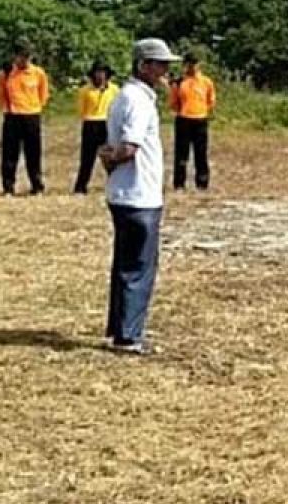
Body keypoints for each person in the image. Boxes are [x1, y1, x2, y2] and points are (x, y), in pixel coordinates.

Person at [99, 38, 183, 354]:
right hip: (138, 194)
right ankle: (129, 335)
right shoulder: (138, 100)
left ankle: (121, 327)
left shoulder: (125, 95)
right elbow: (129, 148)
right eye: (160, 65)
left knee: (125, 263)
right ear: (143, 65)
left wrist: (107, 157)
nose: (165, 71)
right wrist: (110, 158)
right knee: (138, 265)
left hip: (124, 192)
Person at [0, 41, 50, 196]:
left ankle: (37, 186)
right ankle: (8, 187)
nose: (24, 61)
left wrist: (35, 108)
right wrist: (8, 110)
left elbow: (43, 94)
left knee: (33, 153)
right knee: (9, 154)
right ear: (15, 57)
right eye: (21, 57)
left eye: (27, 57)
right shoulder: (6, 73)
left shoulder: (38, 73)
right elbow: (1, 96)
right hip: (12, 116)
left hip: (32, 116)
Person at [169, 52, 217, 191]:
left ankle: (202, 183)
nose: (192, 66)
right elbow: (173, 102)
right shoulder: (180, 82)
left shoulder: (206, 82)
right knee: (181, 154)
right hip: (183, 119)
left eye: (195, 63)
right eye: (189, 63)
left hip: (200, 119)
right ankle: (179, 184)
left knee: (201, 153)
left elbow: (211, 100)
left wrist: (203, 111)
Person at [74, 61, 119, 195]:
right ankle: (81, 187)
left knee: (110, 156)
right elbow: (80, 110)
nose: (100, 76)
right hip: (90, 123)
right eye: (97, 73)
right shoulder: (85, 90)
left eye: (103, 73)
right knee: (87, 158)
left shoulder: (114, 89)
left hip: (107, 123)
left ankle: (116, 184)